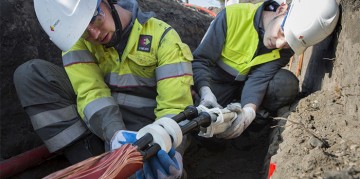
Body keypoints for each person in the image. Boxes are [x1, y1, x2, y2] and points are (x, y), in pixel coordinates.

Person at [13, 0, 193, 178]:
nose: (95, 34)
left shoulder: (163, 37)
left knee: (159, 169)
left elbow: (174, 107)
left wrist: (171, 148)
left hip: (146, 131)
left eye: (94, 18)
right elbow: (91, 92)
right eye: (84, 31)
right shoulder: (76, 40)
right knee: (31, 74)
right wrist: (114, 135)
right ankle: (90, 160)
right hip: (102, 128)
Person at [193, 0, 339, 140]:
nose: (279, 44)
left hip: (247, 85)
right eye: (282, 32)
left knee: (285, 83)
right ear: (281, 9)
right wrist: (205, 92)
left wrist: (248, 112)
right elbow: (201, 60)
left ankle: (255, 124)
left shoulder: (286, 48)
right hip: (216, 83)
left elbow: (259, 78)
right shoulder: (232, 16)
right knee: (203, 125)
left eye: (289, 43)